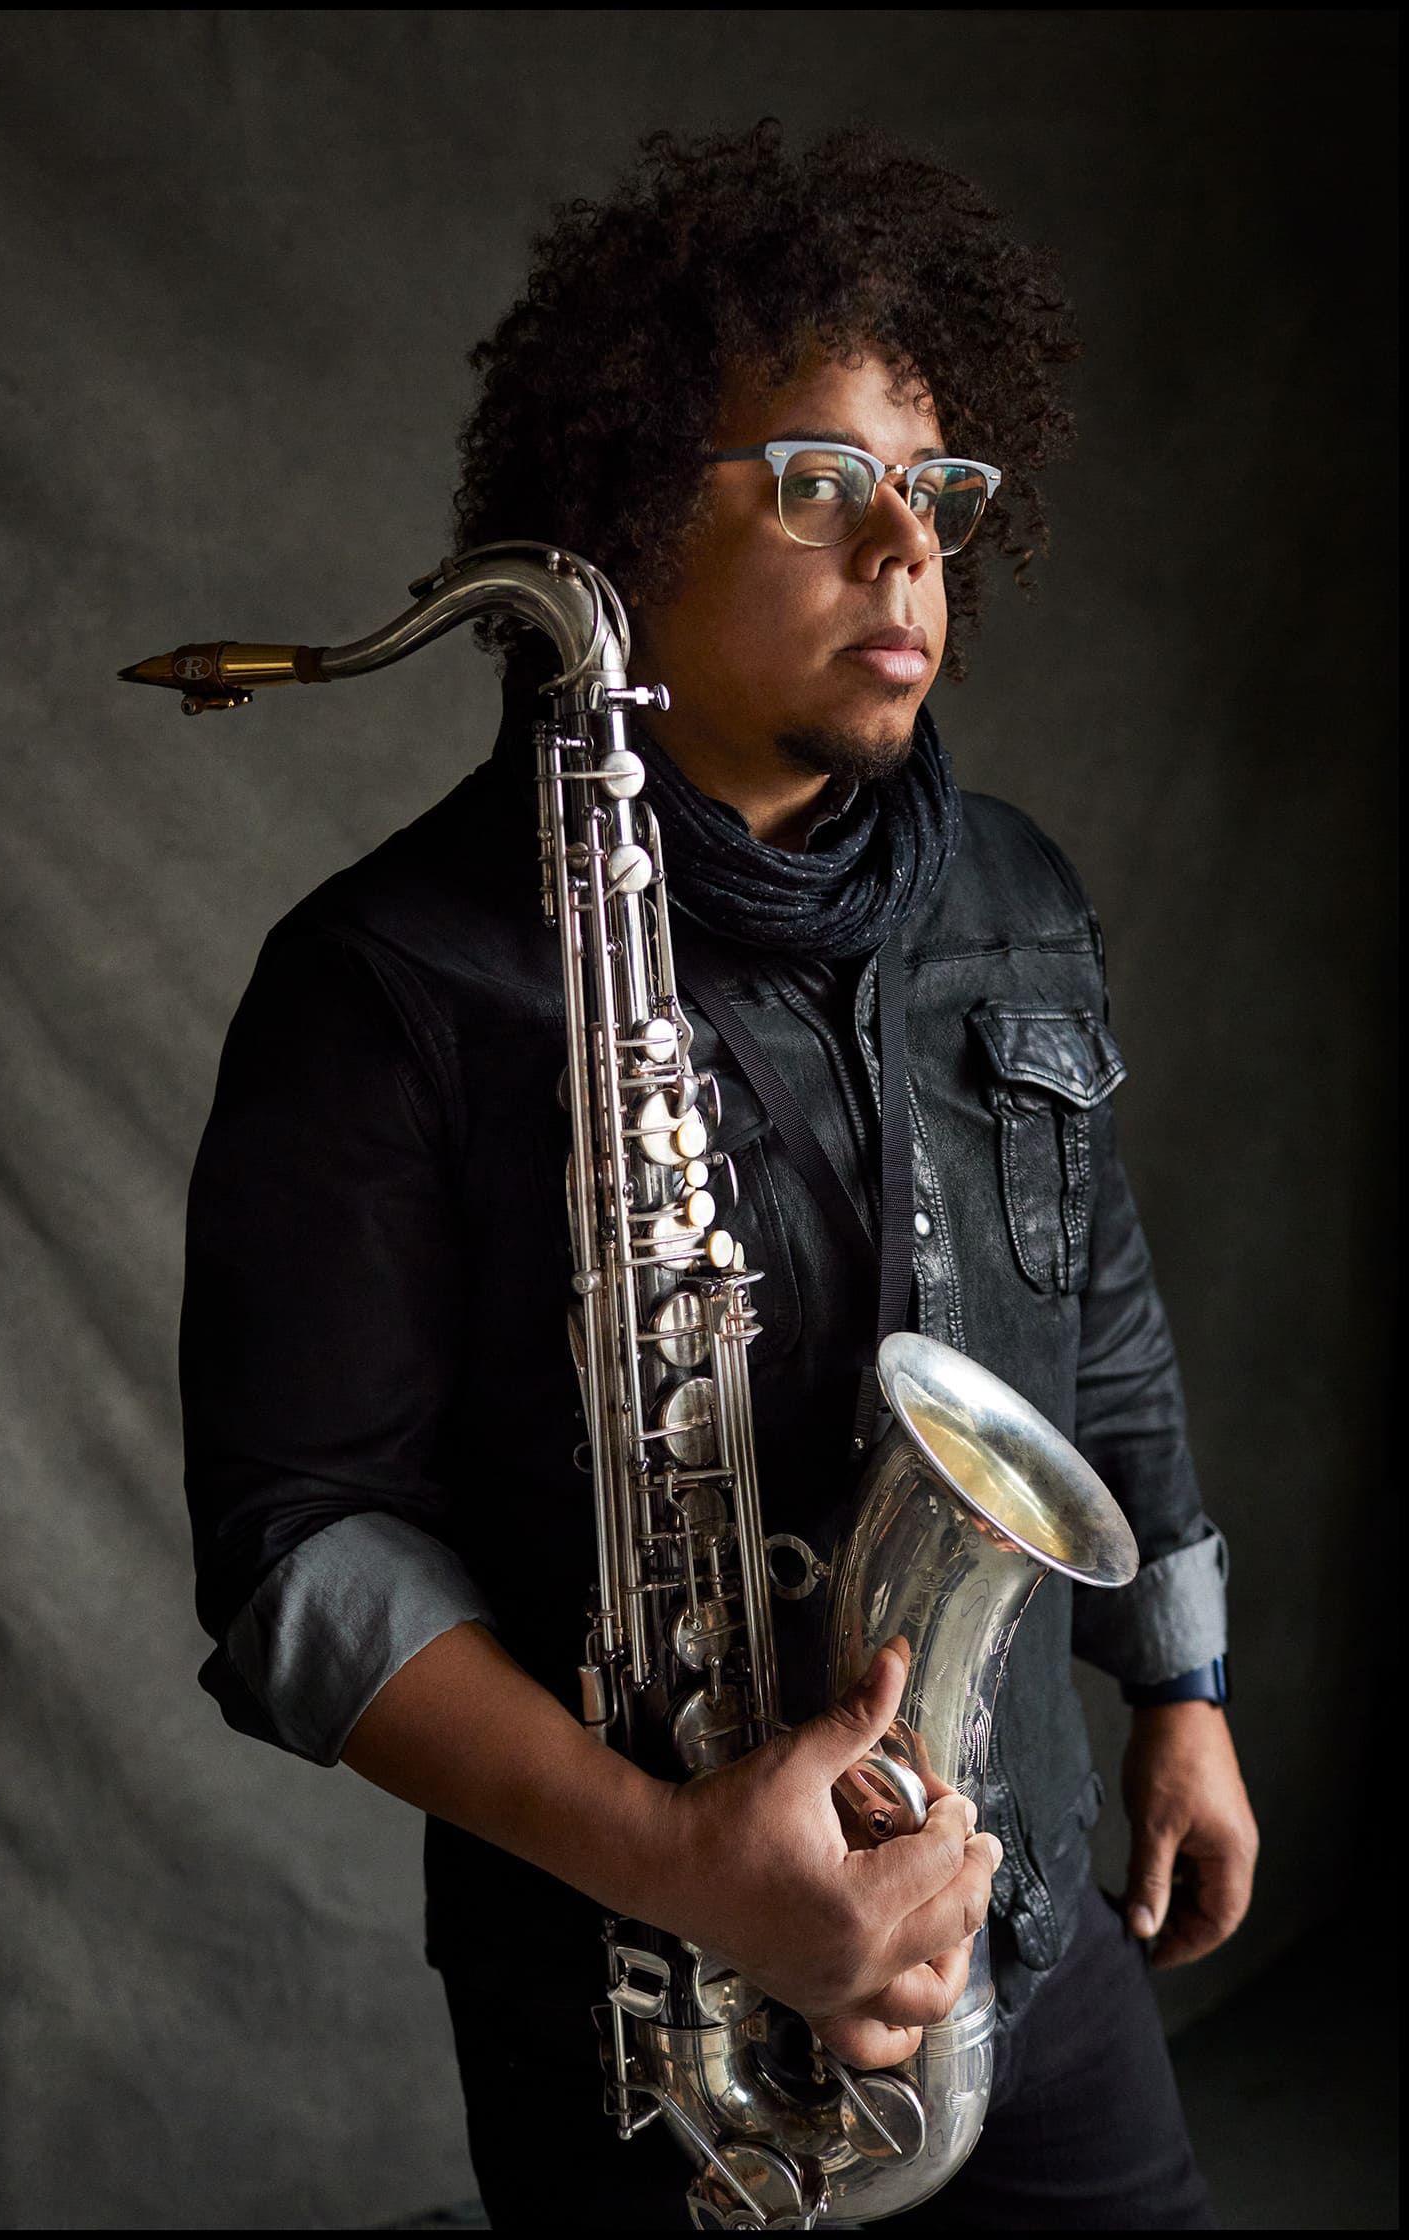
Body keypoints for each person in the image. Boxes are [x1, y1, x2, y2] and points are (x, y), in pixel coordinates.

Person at [179, 121, 1259, 2229]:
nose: (908, 557)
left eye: (935, 498)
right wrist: (678, 1858)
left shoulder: (1018, 891)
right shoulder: (386, 980)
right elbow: (300, 1561)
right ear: (610, 520)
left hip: (1023, 1930)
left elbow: (1093, 1300)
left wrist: (1186, 1691)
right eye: (823, 487)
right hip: (643, 2015)